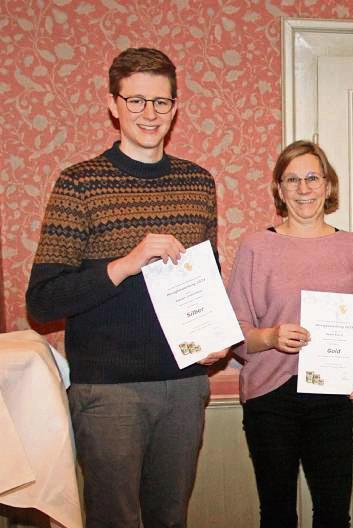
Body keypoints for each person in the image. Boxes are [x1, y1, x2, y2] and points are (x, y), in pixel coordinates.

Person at [25, 47, 227, 527]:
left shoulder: (198, 183)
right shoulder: (79, 183)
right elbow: (43, 299)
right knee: (113, 520)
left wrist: (219, 338)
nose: (149, 114)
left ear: (175, 107)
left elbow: (209, 276)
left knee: (170, 518)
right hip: (108, 391)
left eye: (160, 102)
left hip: (183, 385)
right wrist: (126, 263)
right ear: (113, 105)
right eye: (135, 101)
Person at [227, 140, 353, 527]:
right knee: (277, 514)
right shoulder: (256, 247)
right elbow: (235, 332)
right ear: (279, 189)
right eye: (292, 179)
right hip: (269, 395)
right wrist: (272, 337)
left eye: (312, 177)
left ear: (328, 185)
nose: (303, 187)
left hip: (332, 395)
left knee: (333, 514)